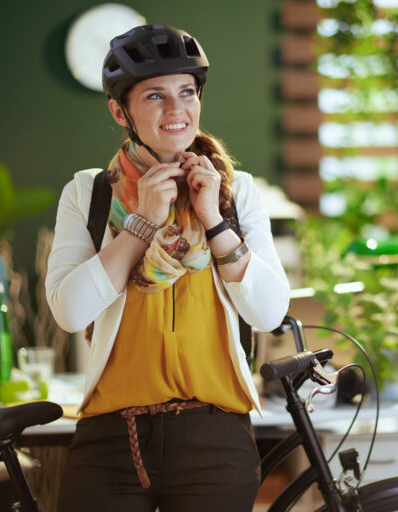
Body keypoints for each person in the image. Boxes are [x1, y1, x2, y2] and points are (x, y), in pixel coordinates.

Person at [45, 24, 290, 512]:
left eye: (187, 92)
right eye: (155, 95)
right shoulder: (88, 194)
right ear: (121, 111)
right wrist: (140, 225)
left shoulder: (235, 192)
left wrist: (213, 219)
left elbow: (268, 312)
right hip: (111, 437)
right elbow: (71, 313)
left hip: (214, 436)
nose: (176, 110)